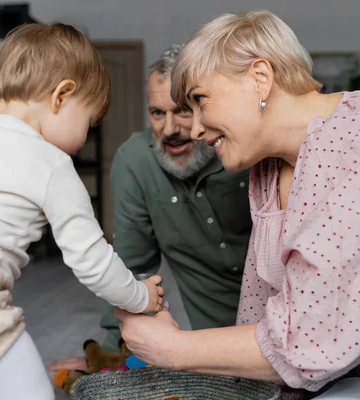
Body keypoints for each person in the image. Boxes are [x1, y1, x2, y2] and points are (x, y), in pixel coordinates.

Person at [112, 11, 360, 400]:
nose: (196, 128)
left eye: (201, 100)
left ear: (259, 78)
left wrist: (176, 350)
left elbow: (314, 337)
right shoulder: (268, 171)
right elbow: (264, 312)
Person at [0, 23, 164, 400]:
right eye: (88, 122)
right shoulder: (50, 163)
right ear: (61, 96)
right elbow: (92, 261)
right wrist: (140, 297)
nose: (84, 140)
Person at [48, 45, 252, 372]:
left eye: (182, 110)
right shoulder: (135, 161)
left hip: (294, 324)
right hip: (215, 348)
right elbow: (134, 265)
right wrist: (110, 356)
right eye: (157, 113)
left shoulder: (246, 147)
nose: (169, 129)